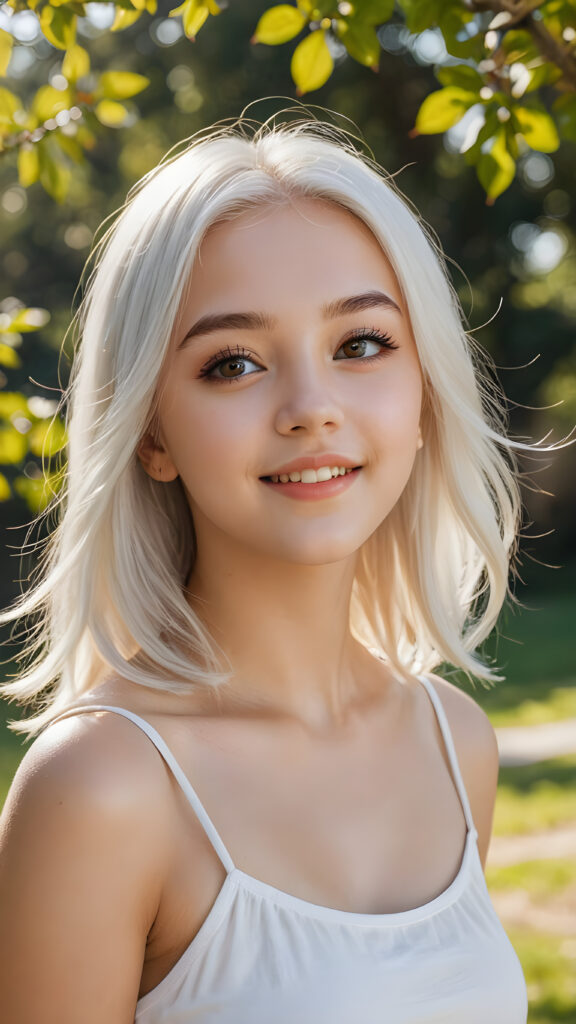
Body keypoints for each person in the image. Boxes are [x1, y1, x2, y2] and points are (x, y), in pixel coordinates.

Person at [0, 115, 530, 1022]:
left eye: (360, 343)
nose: (311, 409)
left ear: (423, 391)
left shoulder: (456, 742)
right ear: (152, 431)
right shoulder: (101, 787)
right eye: (233, 363)